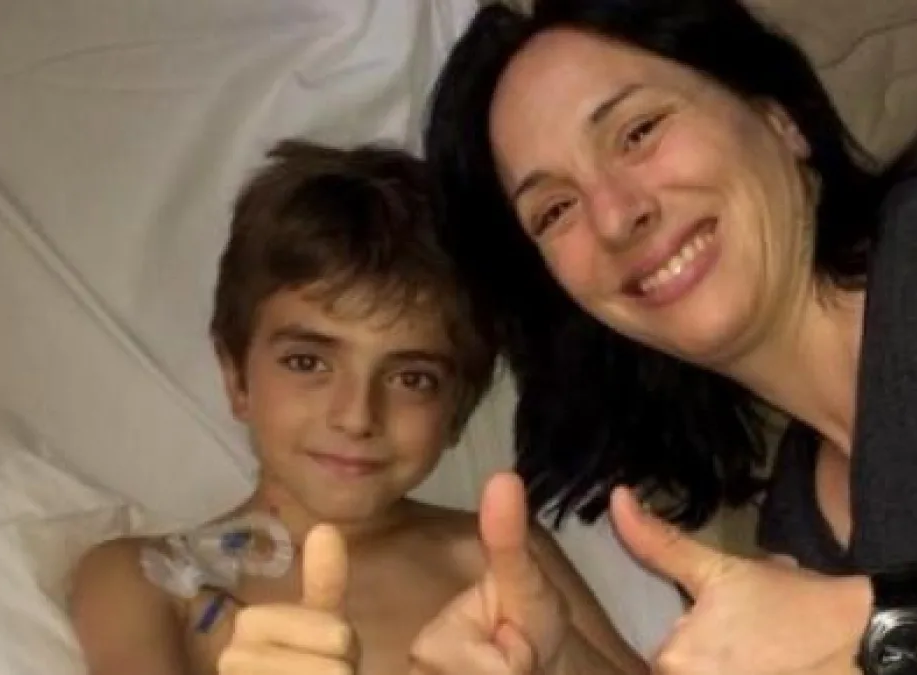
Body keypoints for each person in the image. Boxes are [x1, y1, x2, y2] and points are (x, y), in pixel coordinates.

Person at [417, 0, 917, 672]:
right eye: (554, 209)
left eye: (638, 132)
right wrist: (560, 661)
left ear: (778, 118)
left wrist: (864, 626)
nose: (614, 217)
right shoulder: (799, 527)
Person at [67, 140, 646, 675]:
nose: (356, 416)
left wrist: (557, 658)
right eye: (307, 363)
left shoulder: (500, 559)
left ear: (457, 410)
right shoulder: (151, 580)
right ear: (237, 376)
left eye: (412, 378)